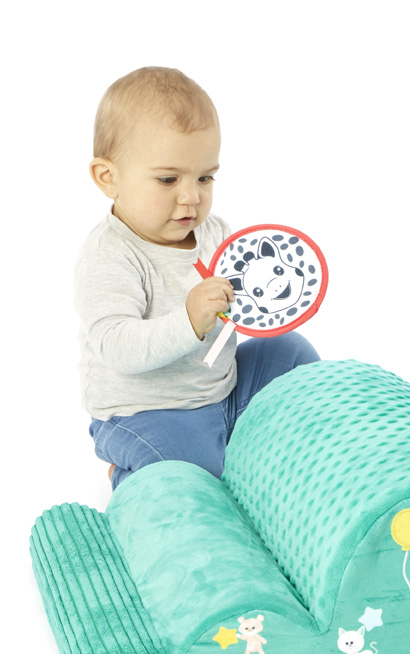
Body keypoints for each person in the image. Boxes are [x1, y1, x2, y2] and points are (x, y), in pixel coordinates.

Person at [75, 67, 319, 490]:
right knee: (201, 472)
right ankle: (131, 473)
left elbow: (239, 309)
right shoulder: (109, 256)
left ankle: (306, 444)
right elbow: (117, 347)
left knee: (290, 352)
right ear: (108, 177)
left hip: (223, 390)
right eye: (168, 179)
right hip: (147, 413)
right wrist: (189, 320)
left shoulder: (215, 233)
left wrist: (266, 304)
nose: (191, 197)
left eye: (205, 177)